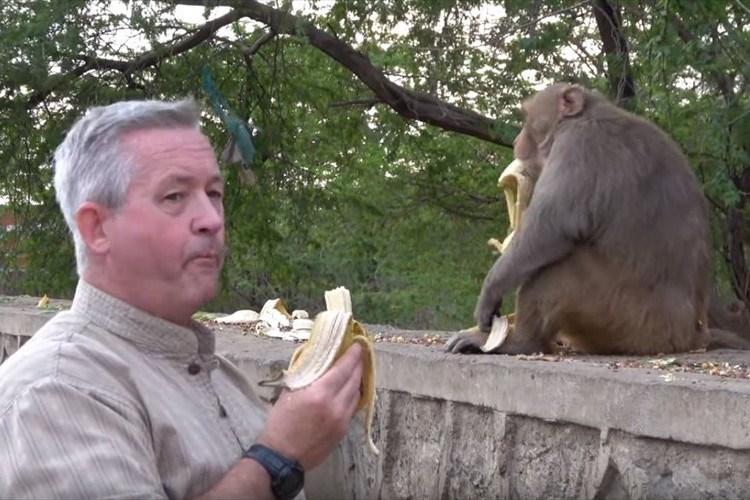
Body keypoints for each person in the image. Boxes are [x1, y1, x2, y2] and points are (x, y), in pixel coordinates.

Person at [0, 98, 365, 499]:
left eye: (213, 193)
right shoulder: (59, 391)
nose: (211, 218)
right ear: (97, 227)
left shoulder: (221, 375)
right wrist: (278, 457)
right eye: (175, 197)